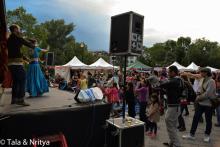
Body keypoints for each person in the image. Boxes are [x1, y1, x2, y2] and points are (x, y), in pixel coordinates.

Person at [183, 68, 216, 143]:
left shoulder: (212, 81)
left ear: (206, 73)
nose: (200, 73)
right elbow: (199, 89)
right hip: (200, 103)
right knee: (195, 118)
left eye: (202, 72)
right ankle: (192, 134)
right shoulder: (202, 79)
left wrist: (198, 98)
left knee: (208, 120)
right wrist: (198, 94)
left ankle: (207, 135)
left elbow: (208, 94)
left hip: (208, 104)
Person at [7, 24, 35, 106]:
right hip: (16, 63)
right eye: (19, 28)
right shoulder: (18, 37)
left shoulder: (9, 39)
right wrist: (33, 44)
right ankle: (20, 99)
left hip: (10, 63)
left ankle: (14, 99)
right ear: (15, 29)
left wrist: (25, 58)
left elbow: (15, 51)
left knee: (16, 81)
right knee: (23, 78)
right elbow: (29, 44)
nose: (19, 30)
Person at [160, 65, 183, 147]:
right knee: (172, 125)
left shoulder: (176, 80)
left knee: (170, 124)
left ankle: (176, 144)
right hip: (173, 106)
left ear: (173, 72)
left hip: (174, 106)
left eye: (168, 72)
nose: (167, 73)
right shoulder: (176, 80)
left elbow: (164, 84)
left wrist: (160, 83)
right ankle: (172, 142)